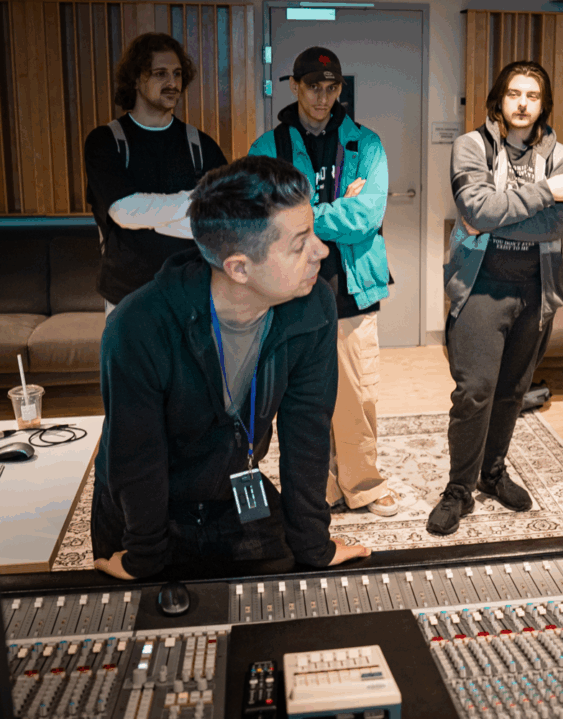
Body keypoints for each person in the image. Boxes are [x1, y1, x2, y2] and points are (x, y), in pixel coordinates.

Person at [91, 155, 370, 580]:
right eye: (299, 244)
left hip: (235, 490)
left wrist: (314, 544)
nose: (321, 250)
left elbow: (308, 430)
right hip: (144, 514)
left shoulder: (312, 307)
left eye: (312, 231)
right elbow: (136, 453)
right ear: (239, 267)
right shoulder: (137, 326)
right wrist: (144, 557)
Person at [427, 60, 563, 535]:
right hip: (481, 288)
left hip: (535, 291)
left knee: (513, 391)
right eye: (514, 93)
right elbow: (474, 210)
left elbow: (559, 223)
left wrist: (501, 216)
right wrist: (542, 193)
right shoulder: (470, 146)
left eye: (532, 96)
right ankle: (458, 489)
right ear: (499, 97)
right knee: (474, 391)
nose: (522, 103)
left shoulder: (562, 157)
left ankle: (492, 475)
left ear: (543, 104)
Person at [249, 47, 397, 517]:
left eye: (332, 87)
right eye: (314, 85)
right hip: (290, 293)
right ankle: (321, 489)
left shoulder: (366, 144)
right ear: (295, 85)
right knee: (305, 399)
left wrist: (303, 213)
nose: (323, 95)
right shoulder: (266, 148)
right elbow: (262, 217)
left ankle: (364, 485)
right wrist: (332, 210)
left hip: (352, 288)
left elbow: (366, 217)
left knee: (358, 393)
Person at [85, 32, 227, 314]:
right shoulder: (106, 141)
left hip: (191, 294)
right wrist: (196, 201)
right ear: (137, 79)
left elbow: (222, 213)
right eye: (160, 73)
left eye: (177, 74)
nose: (172, 83)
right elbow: (125, 211)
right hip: (126, 297)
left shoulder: (201, 144)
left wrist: (153, 216)